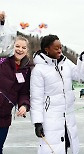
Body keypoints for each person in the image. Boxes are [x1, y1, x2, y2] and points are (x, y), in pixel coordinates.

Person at [30, 34, 84, 154]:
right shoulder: (39, 70)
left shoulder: (66, 63)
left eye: (60, 47)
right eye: (56, 48)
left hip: (67, 116)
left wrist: (82, 61)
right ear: (46, 49)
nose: (60, 50)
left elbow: (83, 78)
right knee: (52, 148)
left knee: (68, 145)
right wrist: (37, 122)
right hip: (50, 118)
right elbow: (36, 98)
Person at [0, 11, 31, 154]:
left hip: (4, 117)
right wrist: (1, 23)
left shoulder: (26, 70)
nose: (20, 49)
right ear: (12, 46)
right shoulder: (3, 61)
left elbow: (24, 92)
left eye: (24, 48)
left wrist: (24, 105)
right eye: (17, 46)